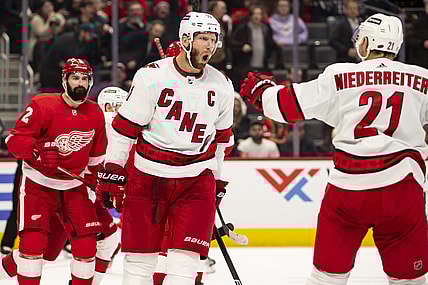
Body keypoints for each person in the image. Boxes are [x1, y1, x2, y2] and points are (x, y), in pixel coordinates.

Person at [241, 13, 428, 284]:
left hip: (348, 191)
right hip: (403, 189)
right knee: (410, 279)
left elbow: (287, 106)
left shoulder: (340, 75)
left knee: (327, 277)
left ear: (367, 41)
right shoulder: (423, 78)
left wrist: (263, 91)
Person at [97, 11, 234, 285]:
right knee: (140, 261)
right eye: (202, 38)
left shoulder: (222, 84)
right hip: (148, 177)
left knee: (185, 265)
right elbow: (125, 129)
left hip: (196, 180)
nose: (209, 45)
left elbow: (220, 141)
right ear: (185, 39)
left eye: (213, 39)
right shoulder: (151, 77)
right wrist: (112, 167)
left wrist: (217, 180)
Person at [5, 58, 107, 285]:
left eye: (84, 78)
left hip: (73, 187)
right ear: (64, 80)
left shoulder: (96, 113)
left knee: (86, 244)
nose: (79, 83)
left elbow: (96, 160)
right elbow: (13, 140)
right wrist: (37, 150)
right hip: (38, 185)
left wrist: (97, 183)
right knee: (32, 245)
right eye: (75, 78)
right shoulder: (42, 105)